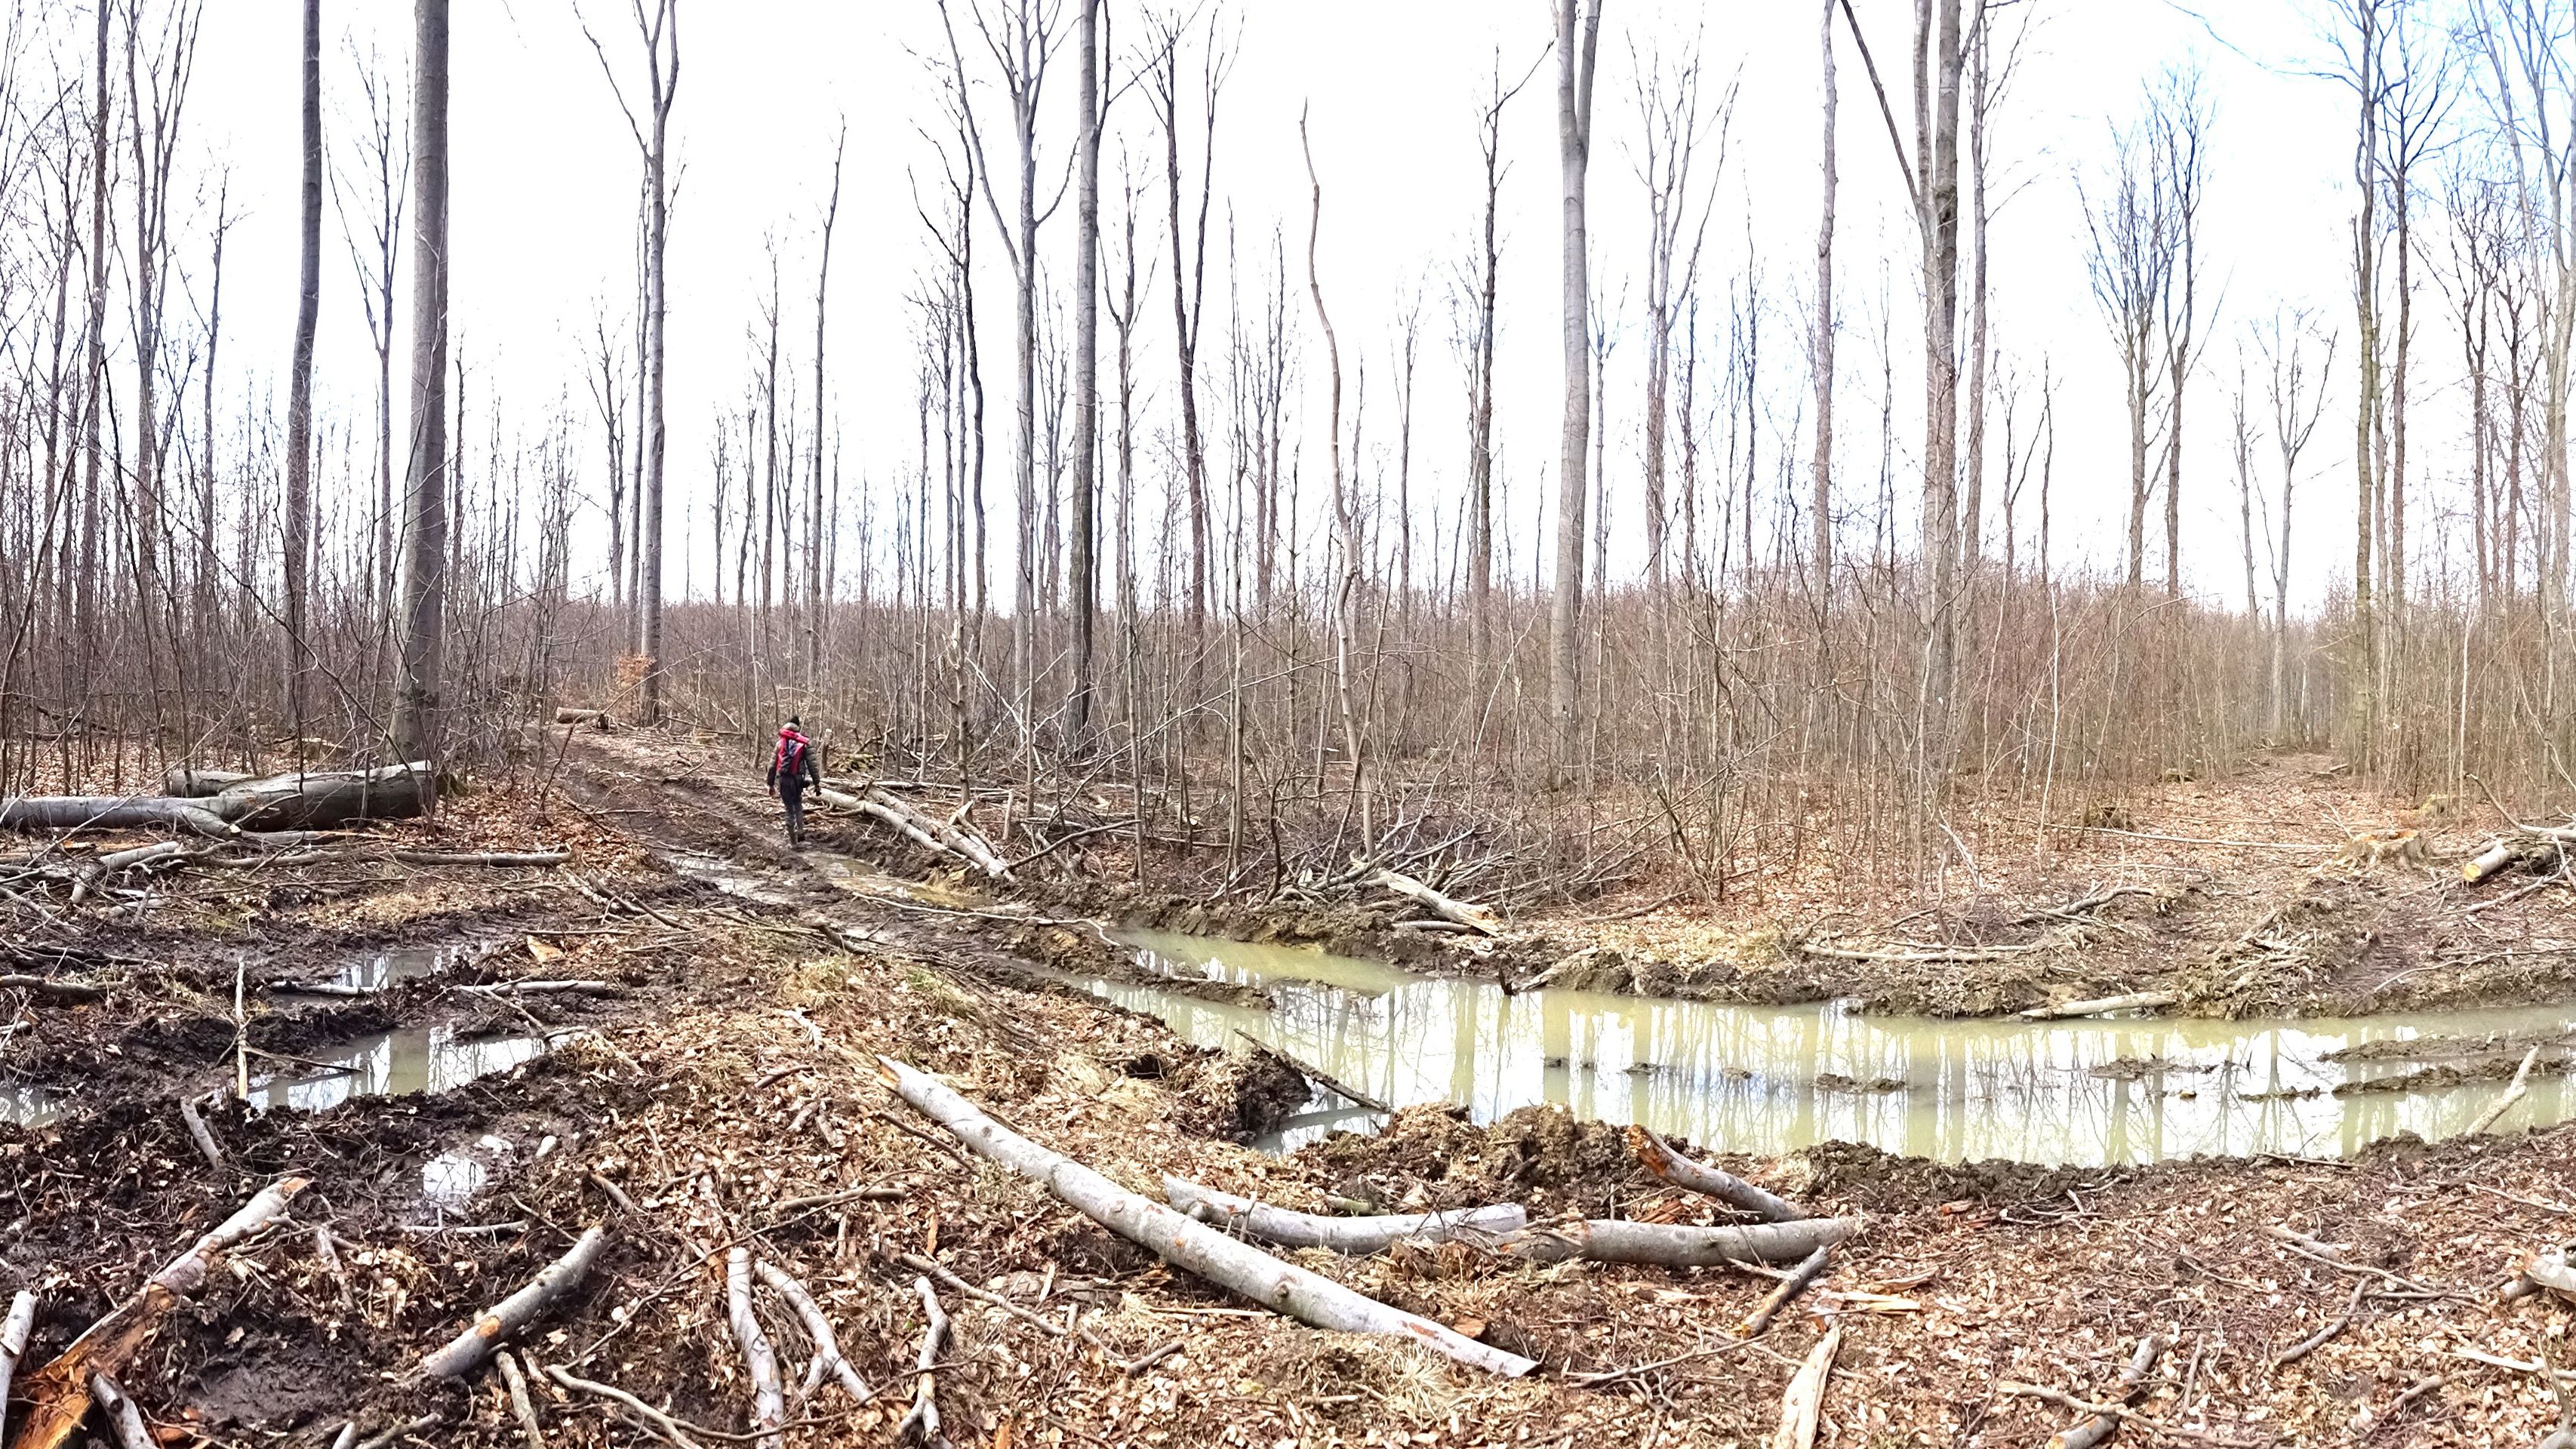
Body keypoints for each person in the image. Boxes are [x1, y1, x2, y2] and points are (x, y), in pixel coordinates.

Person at [765, 717, 820, 846]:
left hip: (783, 780)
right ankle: (800, 831)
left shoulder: (780, 743)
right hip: (797, 780)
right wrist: (817, 783)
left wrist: (770, 784)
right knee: (798, 804)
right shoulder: (804, 742)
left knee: (789, 809)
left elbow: (772, 765)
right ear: (798, 727)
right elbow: (813, 765)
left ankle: (793, 842)